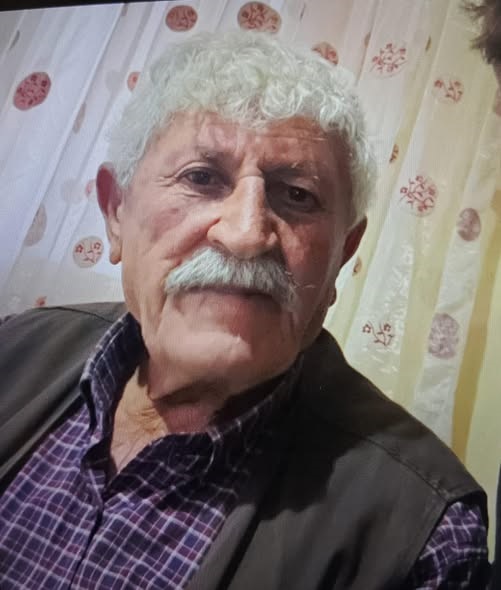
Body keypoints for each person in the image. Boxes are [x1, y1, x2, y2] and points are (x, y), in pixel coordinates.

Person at [0, 31, 491, 589]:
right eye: (201, 178)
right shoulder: (14, 348)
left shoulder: (427, 540)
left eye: (297, 195)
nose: (245, 234)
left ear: (343, 254)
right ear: (116, 212)